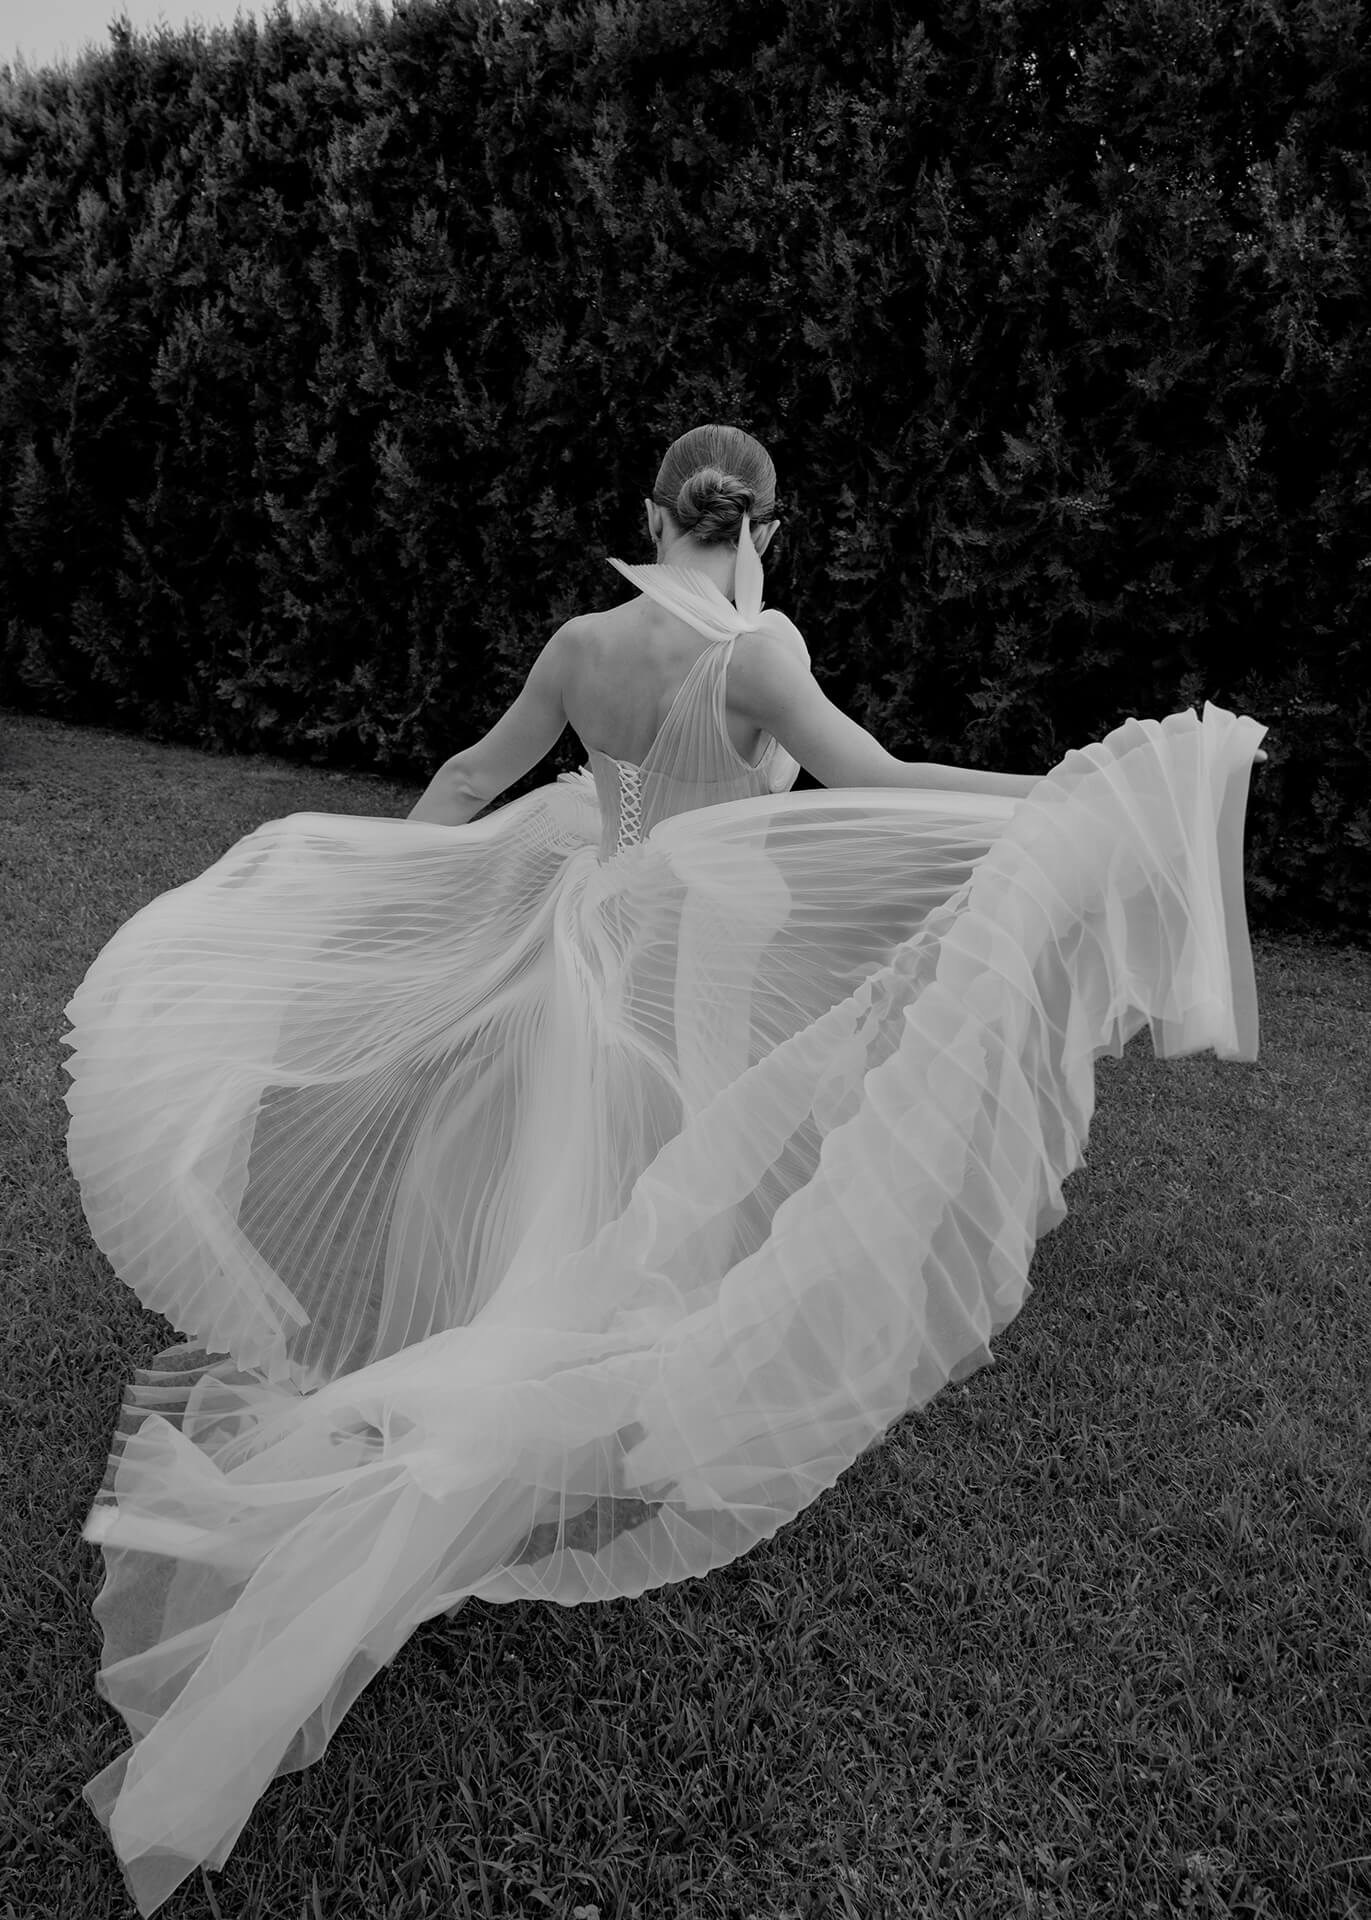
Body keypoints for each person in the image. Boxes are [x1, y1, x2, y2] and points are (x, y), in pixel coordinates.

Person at [66, 423, 1267, 1915]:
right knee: (678, 1173)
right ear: (766, 527)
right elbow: (874, 776)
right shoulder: (760, 650)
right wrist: (1072, 796)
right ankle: (599, 1403)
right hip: (698, 963)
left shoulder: (583, 643)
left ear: (652, 513)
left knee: (573, 1174)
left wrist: (383, 894)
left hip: (588, 940)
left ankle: (557, 1376)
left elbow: (470, 774)